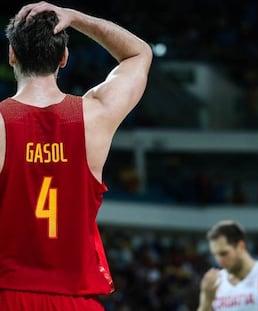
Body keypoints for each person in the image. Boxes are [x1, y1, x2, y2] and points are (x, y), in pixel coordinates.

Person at [0, 2, 152, 310]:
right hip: (76, 300)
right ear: (64, 58)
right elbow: (139, 54)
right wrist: (76, 17)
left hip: (8, 292)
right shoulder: (95, 114)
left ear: (12, 55)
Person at [197, 220, 258, 311]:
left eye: (224, 253)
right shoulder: (213, 284)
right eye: (215, 255)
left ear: (241, 246)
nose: (219, 261)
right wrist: (206, 301)